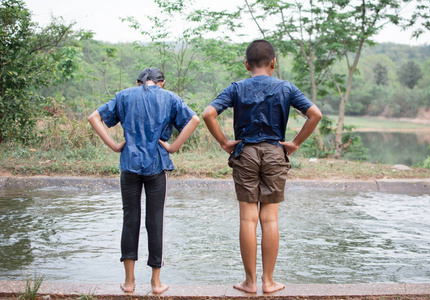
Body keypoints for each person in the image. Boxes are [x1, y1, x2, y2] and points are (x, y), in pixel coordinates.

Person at [202, 40, 322, 294]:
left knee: (248, 218)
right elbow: (315, 114)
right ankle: (268, 282)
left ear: (247, 64)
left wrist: (224, 142)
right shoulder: (286, 87)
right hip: (275, 153)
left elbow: (208, 114)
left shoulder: (236, 88)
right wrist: (295, 143)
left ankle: (250, 282)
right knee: (269, 219)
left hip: (244, 153)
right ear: (273, 64)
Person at [88, 67, 199, 294]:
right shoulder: (169, 97)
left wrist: (115, 145)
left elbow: (94, 117)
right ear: (162, 82)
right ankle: (156, 283)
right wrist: (173, 147)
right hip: (157, 166)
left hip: (129, 164)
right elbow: (195, 119)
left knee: (130, 219)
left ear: (139, 82)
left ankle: (129, 282)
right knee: (155, 221)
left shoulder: (125, 95)